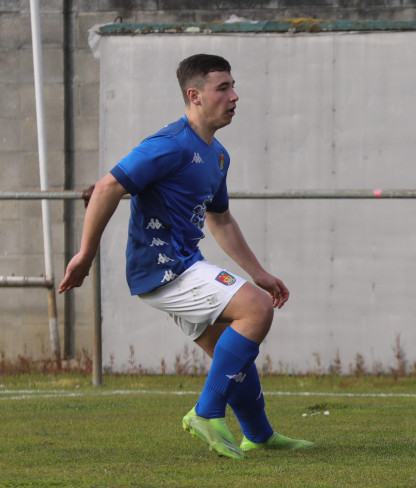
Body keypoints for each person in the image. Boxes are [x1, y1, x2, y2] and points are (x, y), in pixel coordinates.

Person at [59, 54, 313, 459]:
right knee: (257, 310)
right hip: (162, 268)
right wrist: (85, 254)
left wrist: (258, 271)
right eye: (223, 88)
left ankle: (259, 434)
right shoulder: (169, 144)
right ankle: (205, 412)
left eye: (233, 86)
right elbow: (107, 187)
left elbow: (221, 219)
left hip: (185, 265)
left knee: (231, 355)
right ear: (194, 95)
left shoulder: (218, 156)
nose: (234, 96)